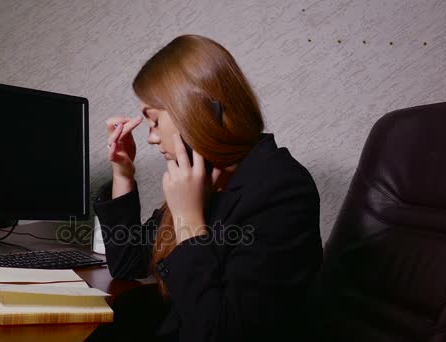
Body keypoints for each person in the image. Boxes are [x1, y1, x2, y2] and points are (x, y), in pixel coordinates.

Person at [88, 34, 323, 342]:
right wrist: (123, 171)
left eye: (155, 122)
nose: (150, 138)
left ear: (197, 112)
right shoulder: (205, 176)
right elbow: (127, 263)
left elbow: (222, 333)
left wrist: (188, 222)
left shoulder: (282, 191)